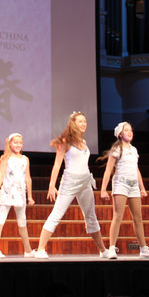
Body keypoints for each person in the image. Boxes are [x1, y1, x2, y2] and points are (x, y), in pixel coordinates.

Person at [34, 111, 108, 259]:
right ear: (73, 123)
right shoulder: (65, 141)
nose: (83, 124)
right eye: (80, 121)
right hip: (70, 182)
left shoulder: (84, 142)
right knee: (57, 214)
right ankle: (40, 249)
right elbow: (57, 165)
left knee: (91, 216)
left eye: (85, 121)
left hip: (85, 182)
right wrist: (52, 185)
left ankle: (103, 250)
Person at [98, 122, 149, 259]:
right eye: (126, 130)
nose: (130, 132)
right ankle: (112, 248)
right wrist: (103, 190)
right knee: (117, 216)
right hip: (121, 184)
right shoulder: (117, 149)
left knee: (138, 218)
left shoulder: (134, 150)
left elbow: (136, 170)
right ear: (120, 134)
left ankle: (143, 249)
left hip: (133, 186)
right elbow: (108, 170)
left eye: (131, 130)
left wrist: (142, 188)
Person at [0, 133, 35, 258]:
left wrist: (30, 196)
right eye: (15, 142)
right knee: (1, 218)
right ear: (10, 143)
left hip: (20, 193)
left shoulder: (25, 159)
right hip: (7, 191)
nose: (18, 145)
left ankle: (28, 250)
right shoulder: (6, 158)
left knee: (22, 220)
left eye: (20, 143)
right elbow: (0, 176)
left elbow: (28, 178)